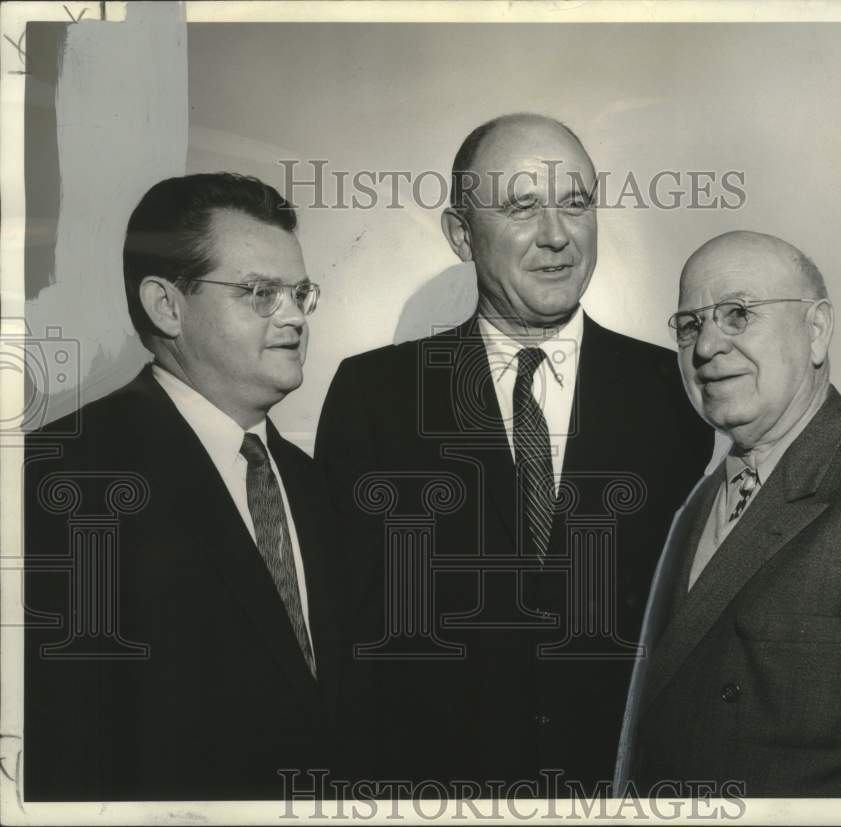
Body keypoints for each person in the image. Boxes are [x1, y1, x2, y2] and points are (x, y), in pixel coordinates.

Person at [315, 113, 713, 792]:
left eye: (577, 203)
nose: (557, 235)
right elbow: (345, 641)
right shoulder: (373, 396)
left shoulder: (677, 395)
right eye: (523, 206)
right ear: (460, 233)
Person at [615, 230, 841, 797]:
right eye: (690, 325)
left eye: (737, 314)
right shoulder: (696, 504)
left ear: (816, 330)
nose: (706, 346)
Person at [24, 173, 346, 800]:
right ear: (166, 305)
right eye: (259, 292)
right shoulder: (62, 480)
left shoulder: (313, 484)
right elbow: (62, 747)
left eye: (299, 293)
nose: (293, 318)